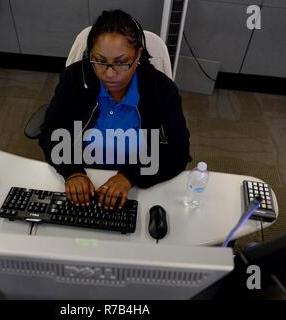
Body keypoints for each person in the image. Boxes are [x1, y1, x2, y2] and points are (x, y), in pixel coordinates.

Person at [39, 9, 191, 210]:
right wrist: (72, 172)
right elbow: (50, 132)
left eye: (121, 62)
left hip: (137, 180)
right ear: (89, 54)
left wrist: (130, 176)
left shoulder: (161, 90)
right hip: (83, 174)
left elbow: (178, 153)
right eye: (100, 61)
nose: (110, 74)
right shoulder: (74, 79)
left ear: (137, 55)